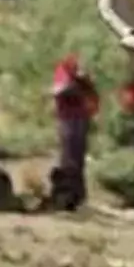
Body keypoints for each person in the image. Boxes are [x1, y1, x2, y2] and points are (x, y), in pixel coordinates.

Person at [48, 53, 99, 211]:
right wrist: (76, 85)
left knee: (77, 159)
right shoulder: (63, 72)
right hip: (68, 120)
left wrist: (83, 83)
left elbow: (92, 96)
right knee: (69, 158)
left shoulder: (81, 78)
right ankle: (68, 197)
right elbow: (59, 91)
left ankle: (77, 196)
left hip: (80, 119)